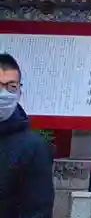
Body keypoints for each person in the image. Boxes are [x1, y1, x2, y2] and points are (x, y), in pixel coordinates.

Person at [0, 53, 53, 218]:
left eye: (11, 86)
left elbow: (38, 209)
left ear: (19, 92)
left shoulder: (32, 147)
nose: (3, 94)